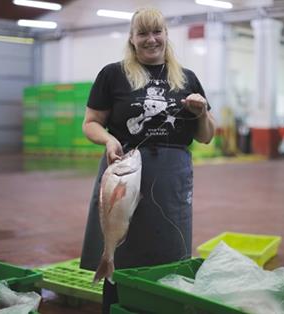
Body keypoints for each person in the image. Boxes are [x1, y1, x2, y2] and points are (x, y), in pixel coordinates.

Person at [79, 7, 215, 314]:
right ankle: (116, 306)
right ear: (131, 39)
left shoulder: (187, 78)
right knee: (121, 247)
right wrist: (109, 139)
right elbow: (90, 123)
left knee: (170, 252)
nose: (151, 39)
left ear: (167, 35)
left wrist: (202, 112)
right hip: (125, 172)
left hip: (171, 178)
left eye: (157, 32)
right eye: (143, 33)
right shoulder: (113, 74)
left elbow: (206, 136)